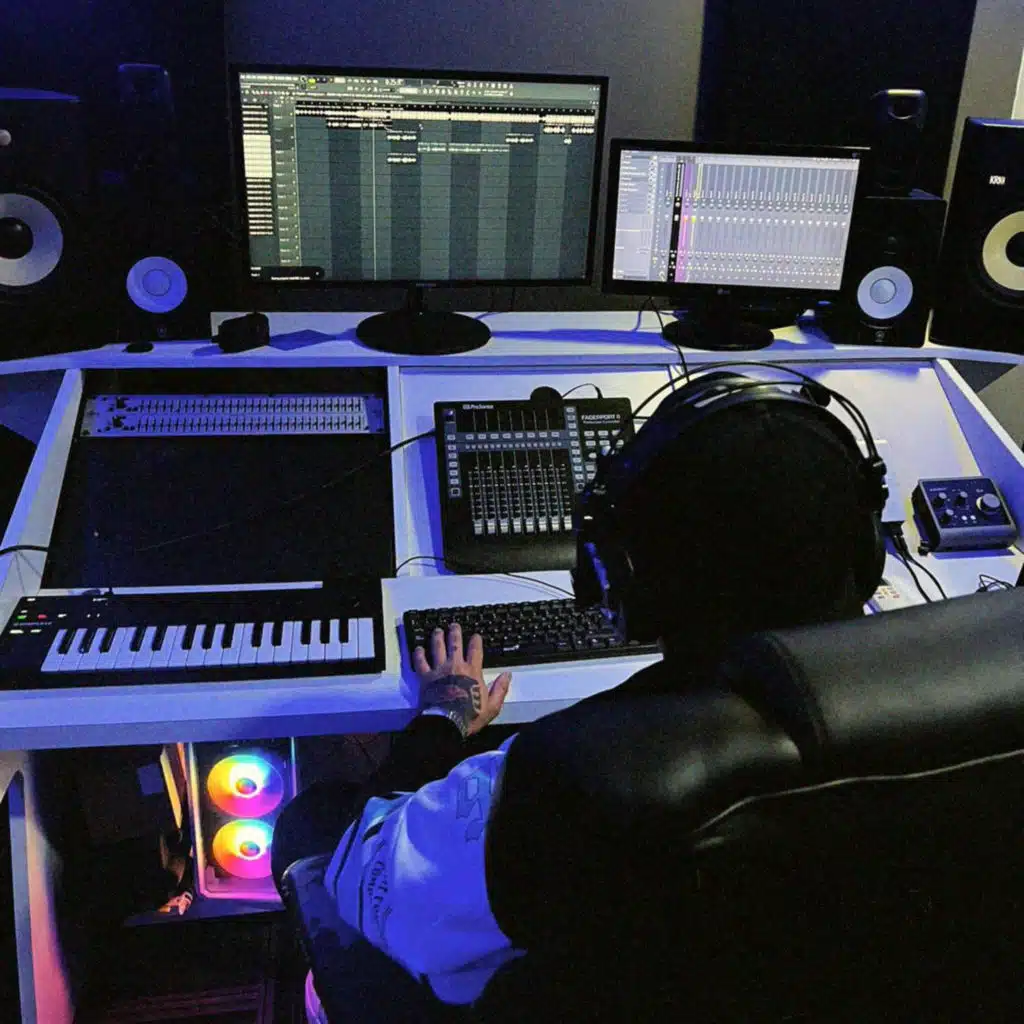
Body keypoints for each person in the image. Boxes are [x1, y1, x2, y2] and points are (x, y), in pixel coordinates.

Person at [271, 371, 886, 1017]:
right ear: (866, 550)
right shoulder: (947, 704)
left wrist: (443, 718)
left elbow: (365, 875)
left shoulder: (565, 774)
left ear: (623, 576)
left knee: (315, 819)